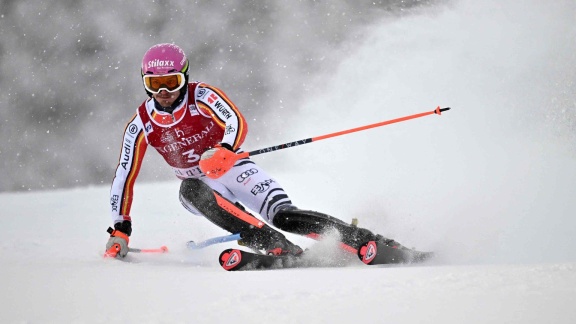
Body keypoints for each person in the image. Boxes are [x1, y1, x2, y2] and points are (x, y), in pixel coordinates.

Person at [106, 43, 409, 260]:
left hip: (232, 168)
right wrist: (120, 227)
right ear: (145, 84)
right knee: (190, 189)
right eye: (155, 84)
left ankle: (365, 241)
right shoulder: (141, 124)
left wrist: (226, 148)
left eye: (171, 82)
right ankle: (272, 243)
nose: (164, 92)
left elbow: (233, 119)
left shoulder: (201, 95)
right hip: (202, 186)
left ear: (184, 77)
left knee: (285, 216)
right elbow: (124, 173)